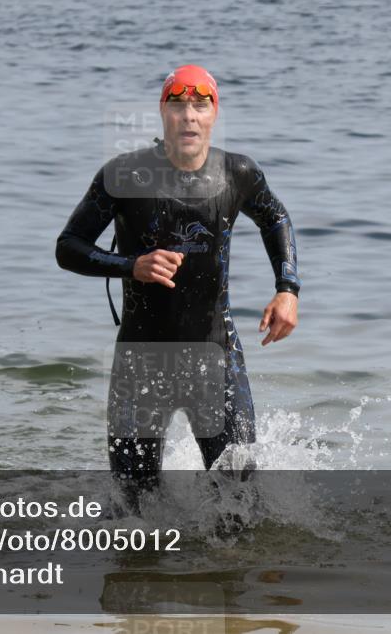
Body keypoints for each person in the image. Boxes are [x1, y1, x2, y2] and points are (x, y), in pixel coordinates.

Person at [56, 65, 301, 509]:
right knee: (133, 508)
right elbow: (68, 247)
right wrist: (133, 265)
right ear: (162, 112)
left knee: (242, 495)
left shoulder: (238, 173)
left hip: (215, 353)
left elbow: (276, 218)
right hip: (140, 362)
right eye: (177, 104)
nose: (189, 116)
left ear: (214, 112)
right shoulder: (123, 175)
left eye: (200, 104)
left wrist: (287, 289)